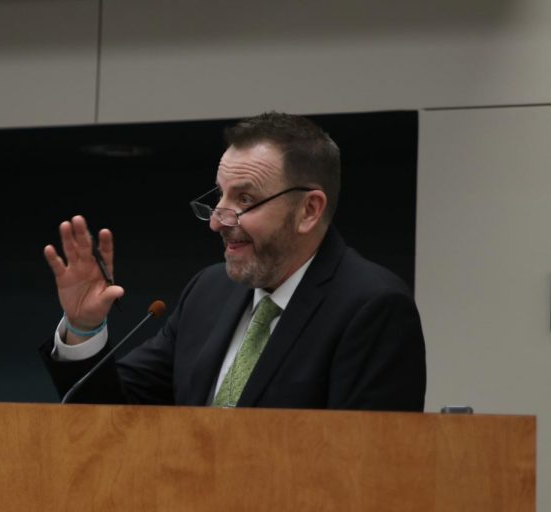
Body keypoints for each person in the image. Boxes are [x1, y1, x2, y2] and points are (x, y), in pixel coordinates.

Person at [40, 112, 426, 411]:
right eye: (220, 196)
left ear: (309, 209)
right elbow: (114, 416)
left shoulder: (373, 307)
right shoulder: (208, 292)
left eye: (244, 200)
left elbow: (367, 468)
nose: (216, 220)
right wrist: (84, 330)